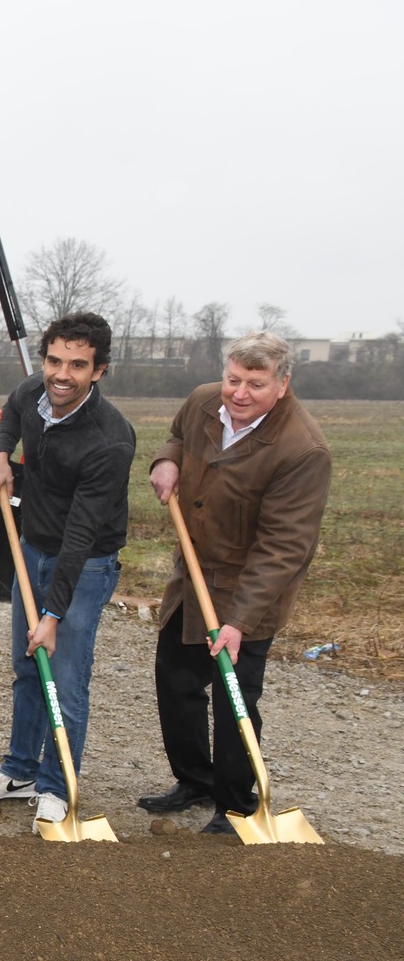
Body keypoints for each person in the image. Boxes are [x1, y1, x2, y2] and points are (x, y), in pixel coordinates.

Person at [139, 331, 331, 835]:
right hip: (193, 576)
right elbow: (178, 434)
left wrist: (240, 620)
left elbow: (284, 547)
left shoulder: (303, 450)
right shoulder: (205, 401)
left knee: (234, 697)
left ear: (283, 385)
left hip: (250, 589)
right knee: (176, 682)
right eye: (233, 379)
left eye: (256, 384)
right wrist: (166, 460)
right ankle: (194, 780)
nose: (239, 393)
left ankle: (235, 803)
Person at [0, 313, 136, 831]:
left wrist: (54, 613)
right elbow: (15, 410)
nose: (62, 375)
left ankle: (58, 785)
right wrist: (0, 453)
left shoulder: (110, 440)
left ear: (99, 371)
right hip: (32, 548)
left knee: (64, 678)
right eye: (54, 361)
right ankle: (19, 771)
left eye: (78, 366)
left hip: (84, 565)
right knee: (26, 668)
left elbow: (82, 536)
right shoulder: (35, 392)